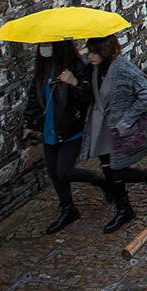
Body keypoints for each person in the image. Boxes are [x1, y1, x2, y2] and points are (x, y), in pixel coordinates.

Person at [21, 39, 108, 234]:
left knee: (64, 171)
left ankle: (100, 181)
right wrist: (29, 123)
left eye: (47, 45)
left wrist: (74, 83)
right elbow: (34, 98)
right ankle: (68, 208)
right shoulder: (42, 70)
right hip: (50, 129)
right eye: (41, 45)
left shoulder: (77, 67)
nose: (43, 49)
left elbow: (89, 97)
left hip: (71, 128)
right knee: (53, 172)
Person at [86, 34, 147, 233]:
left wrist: (127, 120)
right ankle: (124, 209)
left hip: (120, 129)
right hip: (103, 128)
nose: (90, 56)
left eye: (94, 52)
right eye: (89, 52)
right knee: (108, 170)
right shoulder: (95, 70)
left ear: (104, 51)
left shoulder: (123, 69)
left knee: (116, 171)